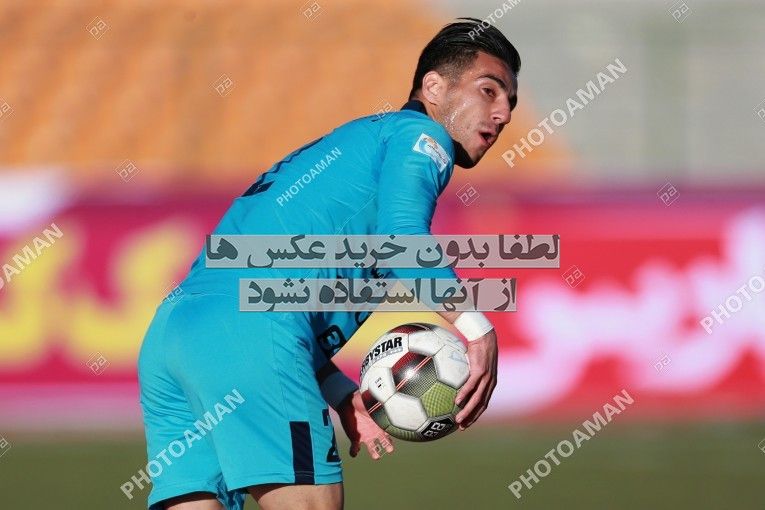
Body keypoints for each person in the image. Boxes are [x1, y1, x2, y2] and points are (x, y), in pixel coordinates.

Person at [137, 16, 520, 510]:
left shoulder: (350, 146)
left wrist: (339, 392)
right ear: (433, 87)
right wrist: (475, 327)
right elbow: (401, 240)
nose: (503, 113)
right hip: (255, 331)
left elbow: (266, 285)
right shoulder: (420, 135)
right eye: (489, 91)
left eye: (510, 102)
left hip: (174, 334)